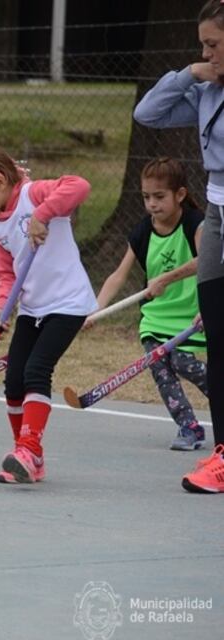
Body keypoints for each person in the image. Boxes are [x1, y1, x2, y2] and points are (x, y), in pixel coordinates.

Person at [0, 142, 97, 485]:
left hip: (67, 303)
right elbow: (5, 273)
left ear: (0, 181)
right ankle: (28, 454)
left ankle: (29, 449)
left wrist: (42, 215)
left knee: (37, 369)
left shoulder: (34, 194)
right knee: (14, 378)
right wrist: (1, 307)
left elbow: (79, 185)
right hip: (31, 307)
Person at [133, 0, 224, 493]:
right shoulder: (207, 88)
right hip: (217, 212)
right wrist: (190, 71)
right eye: (201, 45)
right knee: (218, 340)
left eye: (213, 44)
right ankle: (223, 455)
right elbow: (147, 112)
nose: (206, 52)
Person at [91, 158, 208, 451]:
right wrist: (96, 309)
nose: (152, 204)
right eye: (146, 197)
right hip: (156, 316)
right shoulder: (143, 231)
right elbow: (119, 275)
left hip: (190, 312)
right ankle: (189, 427)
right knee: (160, 368)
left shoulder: (195, 223)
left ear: (179, 195)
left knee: (183, 362)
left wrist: (167, 278)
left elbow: (206, 261)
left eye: (160, 197)